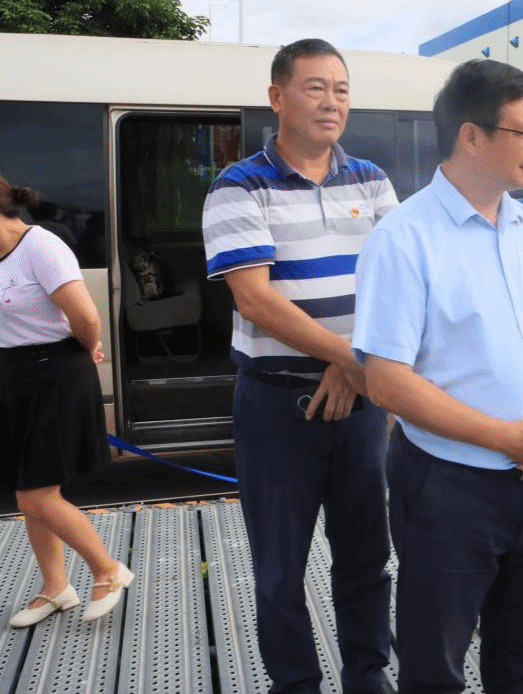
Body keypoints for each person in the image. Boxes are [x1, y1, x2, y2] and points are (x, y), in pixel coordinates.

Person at [352, 59, 523, 694]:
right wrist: (505, 438)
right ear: (471, 135)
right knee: (435, 666)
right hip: (448, 487)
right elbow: (386, 381)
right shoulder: (404, 239)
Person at [201, 39, 395, 694]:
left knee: (367, 556)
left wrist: (349, 366)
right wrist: (348, 356)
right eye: (316, 87)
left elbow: (398, 284)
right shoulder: (239, 185)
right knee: (280, 568)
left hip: (362, 403)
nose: (332, 101)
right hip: (277, 404)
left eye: (341, 89)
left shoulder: (370, 178)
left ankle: (368, 675)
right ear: (277, 97)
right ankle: (295, 684)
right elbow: (255, 299)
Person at [1, 177, 133, 628]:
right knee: (29, 490)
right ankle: (56, 587)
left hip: (56, 373)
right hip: (13, 375)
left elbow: (85, 316)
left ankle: (107, 570)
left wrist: (88, 346)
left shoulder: (41, 246)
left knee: (36, 494)